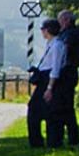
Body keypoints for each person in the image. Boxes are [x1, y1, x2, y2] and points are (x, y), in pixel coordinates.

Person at [25, 17, 66, 148]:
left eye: (43, 29)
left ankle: (46, 141)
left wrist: (49, 88)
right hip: (44, 78)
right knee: (38, 110)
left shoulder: (57, 45)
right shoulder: (51, 44)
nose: (42, 32)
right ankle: (39, 141)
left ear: (48, 30)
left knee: (37, 110)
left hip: (49, 81)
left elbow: (55, 67)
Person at [50, 9, 79, 147]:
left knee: (65, 108)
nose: (59, 24)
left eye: (60, 20)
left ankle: (70, 138)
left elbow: (65, 54)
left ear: (67, 20)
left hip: (67, 74)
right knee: (64, 107)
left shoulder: (70, 35)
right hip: (68, 73)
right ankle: (66, 138)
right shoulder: (69, 34)